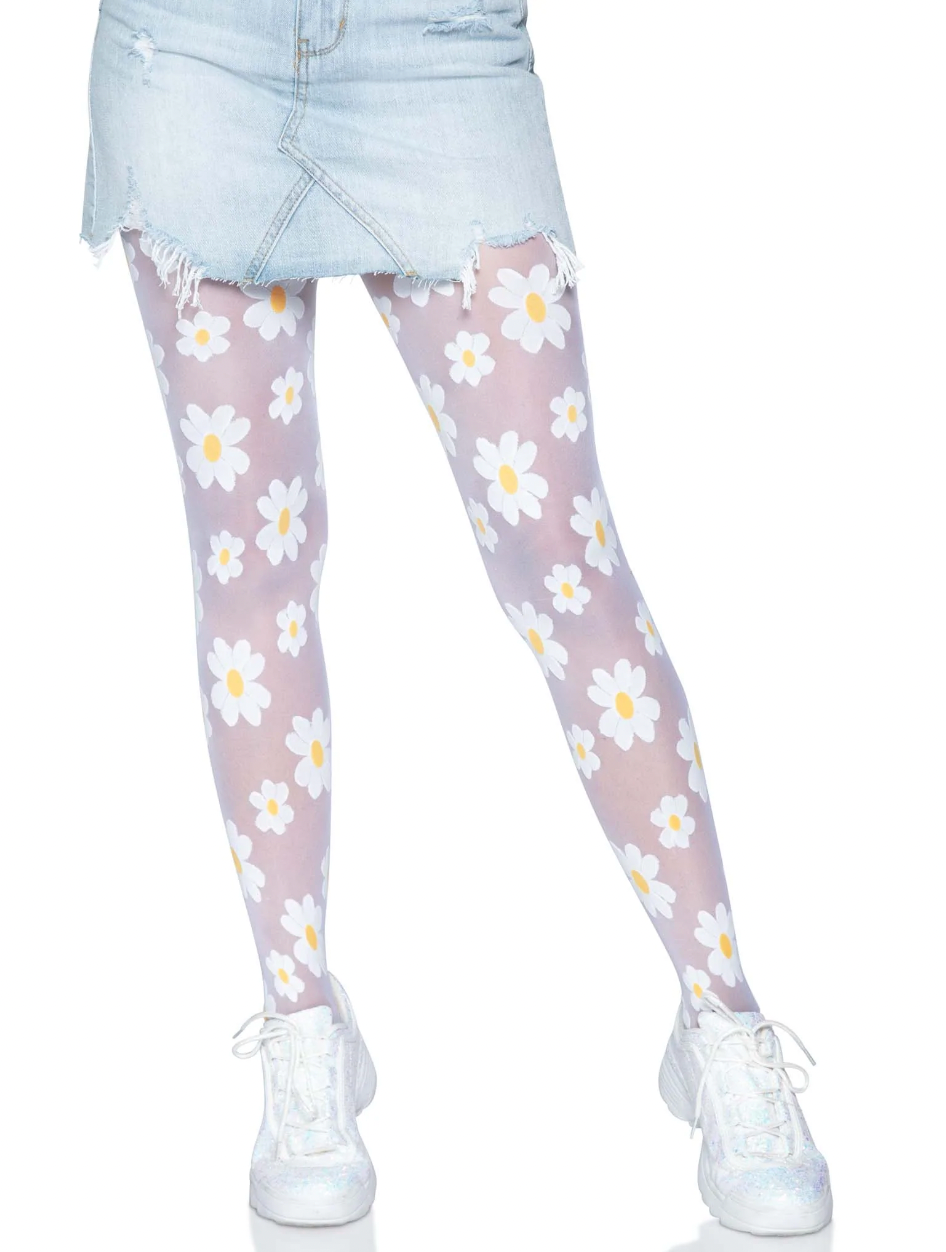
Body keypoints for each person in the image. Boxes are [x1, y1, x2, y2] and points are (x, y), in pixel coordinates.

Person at [81, 1, 832, 1236]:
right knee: (254, 562)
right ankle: (302, 1022)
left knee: (559, 552)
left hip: (438, 45)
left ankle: (721, 1018)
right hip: (198, 50)